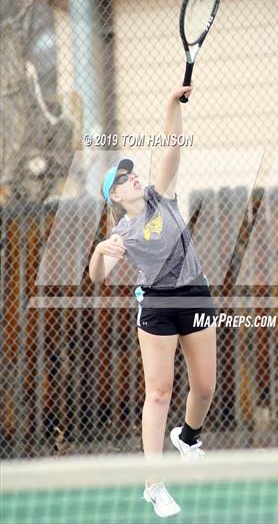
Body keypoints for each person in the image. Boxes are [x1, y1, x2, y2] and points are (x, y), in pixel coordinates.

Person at [89, 85, 217, 518]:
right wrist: (98, 253)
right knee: (159, 393)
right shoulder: (121, 234)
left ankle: (188, 437)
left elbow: (171, 149)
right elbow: (98, 276)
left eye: (131, 173)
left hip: (195, 294)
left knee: (204, 387)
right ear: (114, 196)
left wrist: (170, 106)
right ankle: (153, 485)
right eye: (122, 179)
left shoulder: (162, 196)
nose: (132, 178)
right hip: (158, 308)